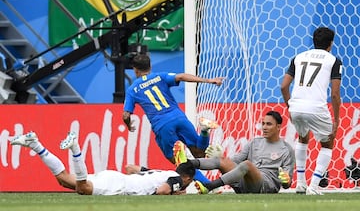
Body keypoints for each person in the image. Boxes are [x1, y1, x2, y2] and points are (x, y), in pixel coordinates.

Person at [122, 53, 223, 183]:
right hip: (179, 118)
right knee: (200, 153)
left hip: (162, 126)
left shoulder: (132, 89)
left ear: (135, 70)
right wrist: (208, 80)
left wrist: (128, 124)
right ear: (150, 66)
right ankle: (204, 131)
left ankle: (209, 185)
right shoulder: (160, 77)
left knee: (180, 162)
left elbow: (126, 115)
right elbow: (181, 76)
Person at [9, 131, 195, 195]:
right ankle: (75, 147)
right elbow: (163, 190)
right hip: (118, 186)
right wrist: (175, 194)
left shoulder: (160, 172)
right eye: (189, 182)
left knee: (64, 180)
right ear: (187, 177)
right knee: (82, 188)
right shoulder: (177, 178)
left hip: (115, 178)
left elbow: (131, 168)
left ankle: (34, 144)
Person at [281, 27, 342, 195]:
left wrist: (290, 107)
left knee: (302, 138)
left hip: (297, 106)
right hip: (316, 106)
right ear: (330, 44)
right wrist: (336, 119)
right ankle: (313, 186)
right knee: (328, 142)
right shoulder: (333, 60)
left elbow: (284, 86)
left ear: (314, 41)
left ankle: (301, 183)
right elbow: (335, 94)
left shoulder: (298, 57)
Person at [174, 111, 295, 194]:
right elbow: (234, 162)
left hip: (265, 187)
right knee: (223, 160)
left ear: (278, 127)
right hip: (245, 184)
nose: (264, 127)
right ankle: (187, 163)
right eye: (263, 123)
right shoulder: (255, 142)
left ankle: (209, 186)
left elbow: (287, 183)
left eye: (268, 124)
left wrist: (286, 181)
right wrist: (221, 158)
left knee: (247, 165)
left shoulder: (286, 149)